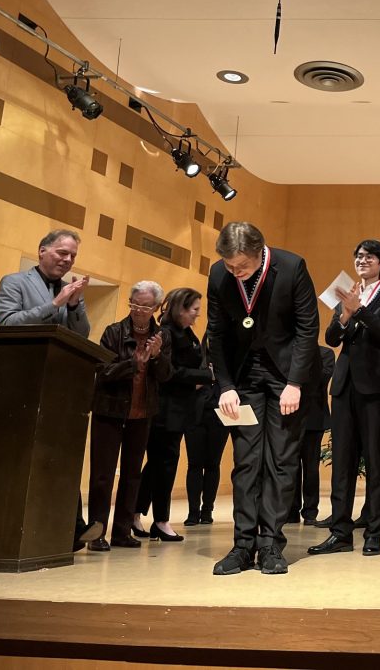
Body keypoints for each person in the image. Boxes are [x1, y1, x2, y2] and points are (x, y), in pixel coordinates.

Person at [208, 222, 320, 576]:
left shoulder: (291, 266)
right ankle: (243, 545)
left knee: (281, 461)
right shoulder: (218, 274)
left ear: (260, 252)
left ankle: (270, 543)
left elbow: (307, 328)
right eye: (229, 266)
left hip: (286, 376)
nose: (235, 272)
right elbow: (216, 333)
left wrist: (295, 382)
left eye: (242, 266)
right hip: (244, 377)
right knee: (246, 461)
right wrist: (225, 385)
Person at [0, 229, 100, 551]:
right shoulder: (14, 282)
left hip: (60, 388)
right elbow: (8, 324)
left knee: (61, 455)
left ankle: (71, 527)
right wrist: (56, 303)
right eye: (62, 253)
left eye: (73, 256)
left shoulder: (70, 292)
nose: (67, 260)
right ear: (42, 251)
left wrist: (75, 304)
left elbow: (81, 335)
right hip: (22, 384)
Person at [309, 239, 380, 558]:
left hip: (376, 389)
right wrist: (344, 315)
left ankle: (374, 531)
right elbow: (331, 338)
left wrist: (359, 310)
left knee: (376, 462)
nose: (362, 261)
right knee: (342, 463)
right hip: (344, 387)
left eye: (369, 257)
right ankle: (340, 532)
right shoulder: (348, 295)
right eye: (358, 256)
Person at [88, 281, 171, 551]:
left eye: (145, 306)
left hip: (142, 413)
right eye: (134, 304)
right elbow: (103, 370)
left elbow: (166, 376)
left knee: (132, 475)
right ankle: (96, 533)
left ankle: (122, 532)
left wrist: (156, 357)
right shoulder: (114, 332)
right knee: (102, 475)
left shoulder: (162, 337)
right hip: (109, 411)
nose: (138, 310)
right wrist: (134, 364)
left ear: (155, 308)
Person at [134, 287, 211, 542]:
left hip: (180, 408)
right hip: (165, 409)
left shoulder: (186, 333)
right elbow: (169, 372)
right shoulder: (166, 334)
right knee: (164, 464)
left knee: (158, 464)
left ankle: (136, 511)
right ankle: (161, 520)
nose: (197, 315)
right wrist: (205, 376)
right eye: (194, 310)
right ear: (180, 309)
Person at [182, 339, 230, 527]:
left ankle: (207, 510)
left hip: (219, 416)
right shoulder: (195, 358)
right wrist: (205, 378)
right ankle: (193, 512)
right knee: (194, 464)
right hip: (195, 416)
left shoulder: (227, 361)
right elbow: (185, 385)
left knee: (213, 464)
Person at [289, 345, 335, 525]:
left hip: (315, 417)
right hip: (291, 416)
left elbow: (321, 379)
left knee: (311, 467)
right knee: (292, 465)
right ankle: (291, 511)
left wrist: (301, 367)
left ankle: (310, 511)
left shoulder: (326, 354)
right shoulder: (292, 352)